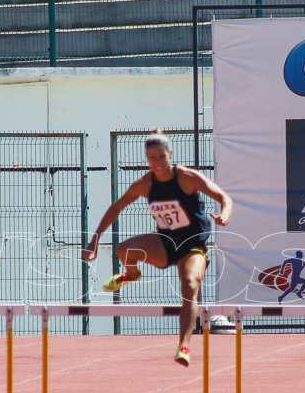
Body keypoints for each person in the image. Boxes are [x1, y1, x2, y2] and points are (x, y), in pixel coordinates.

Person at [83, 130, 233, 366]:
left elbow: (224, 197)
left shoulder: (187, 178)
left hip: (193, 245)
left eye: (162, 157)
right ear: (147, 159)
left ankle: (183, 346)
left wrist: (224, 215)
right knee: (124, 250)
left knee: (190, 285)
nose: (158, 163)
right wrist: (94, 240)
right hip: (166, 242)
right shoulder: (144, 184)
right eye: (152, 158)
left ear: (170, 155)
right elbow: (115, 208)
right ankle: (130, 274)